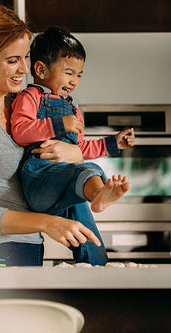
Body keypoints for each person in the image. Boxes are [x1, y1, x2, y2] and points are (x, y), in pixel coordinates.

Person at [0, 5, 102, 267]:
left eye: (26, 57)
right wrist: (46, 222)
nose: (25, 69)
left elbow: (55, 157)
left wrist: (74, 153)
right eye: (12, 60)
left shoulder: (21, 104)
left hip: (28, 248)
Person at [10, 27, 135, 265]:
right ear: (40, 69)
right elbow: (20, 131)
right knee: (85, 170)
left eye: (79, 75)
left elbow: (81, 149)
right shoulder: (31, 96)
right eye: (69, 73)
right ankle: (99, 193)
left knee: (86, 228)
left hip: (66, 182)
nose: (74, 81)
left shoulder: (73, 109)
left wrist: (112, 143)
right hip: (39, 177)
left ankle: (97, 268)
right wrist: (58, 124)